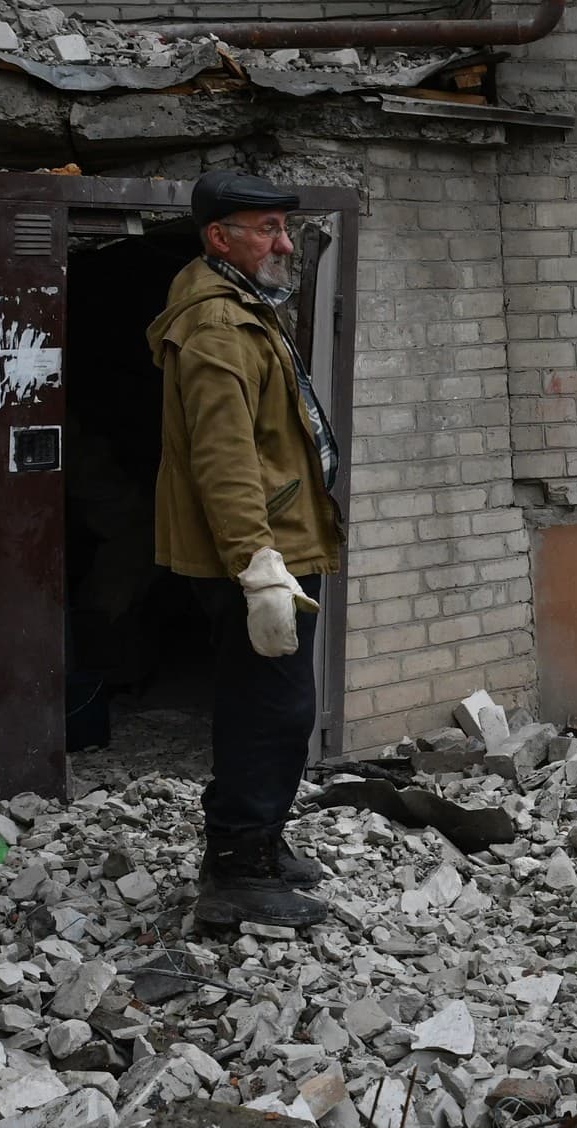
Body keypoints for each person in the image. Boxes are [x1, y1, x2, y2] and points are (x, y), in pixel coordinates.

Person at [148, 170, 341, 929]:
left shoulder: (241, 303)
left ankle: (256, 839)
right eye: (266, 228)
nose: (284, 243)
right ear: (218, 237)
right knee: (272, 711)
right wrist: (259, 567)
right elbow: (223, 458)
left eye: (282, 229)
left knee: (271, 707)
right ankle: (238, 872)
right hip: (264, 553)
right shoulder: (217, 325)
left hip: (279, 542)